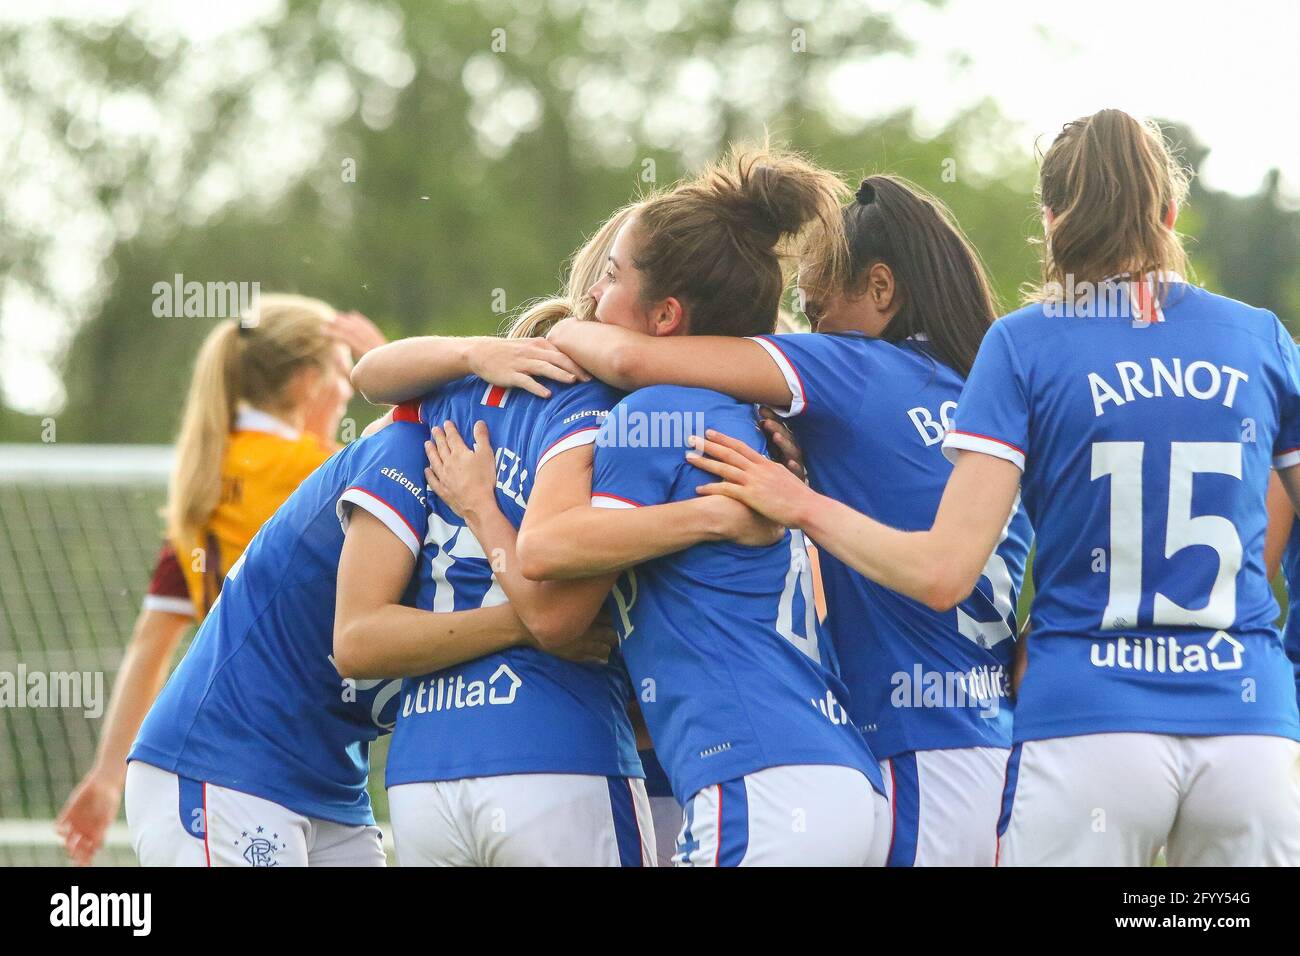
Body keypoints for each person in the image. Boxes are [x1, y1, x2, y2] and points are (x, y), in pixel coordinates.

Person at [686, 110, 1300, 866]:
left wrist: (801, 504)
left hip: (1088, 721)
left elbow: (943, 571)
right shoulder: (1261, 337)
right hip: (1251, 730)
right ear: (1169, 215)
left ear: (1050, 220)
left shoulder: (1024, 345)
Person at [541, 173, 1032, 866]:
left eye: (815, 305)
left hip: (906, 756)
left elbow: (630, 356)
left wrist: (559, 326)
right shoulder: (985, 400)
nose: (808, 328)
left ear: (882, 291)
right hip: (991, 750)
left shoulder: (856, 368)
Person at [352, 203, 782, 865]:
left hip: (421, 770)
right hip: (556, 751)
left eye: (609, 280)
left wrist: (468, 351)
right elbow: (555, 616)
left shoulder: (453, 389)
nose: (591, 297)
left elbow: (370, 375)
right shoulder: (613, 410)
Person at [509, 147, 888, 865]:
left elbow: (546, 552)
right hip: (836, 774)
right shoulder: (747, 415)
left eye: (612, 278)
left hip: (759, 783)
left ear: (667, 317)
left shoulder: (657, 412)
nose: (592, 298)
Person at [56, 295, 384, 866]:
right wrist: (394, 367)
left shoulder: (203, 487)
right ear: (309, 382)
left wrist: (108, 776)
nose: (347, 389)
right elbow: (409, 451)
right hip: (248, 755)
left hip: (282, 756)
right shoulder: (316, 469)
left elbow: (149, 644)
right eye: (340, 371)